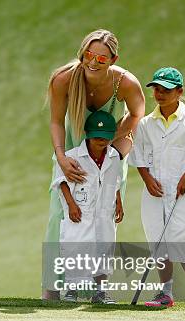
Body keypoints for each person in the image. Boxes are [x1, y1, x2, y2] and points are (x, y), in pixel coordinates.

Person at [44, 29, 145, 300]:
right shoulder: (63, 79)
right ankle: (54, 290)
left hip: (107, 159)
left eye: (102, 58)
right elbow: (56, 121)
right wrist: (62, 158)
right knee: (61, 219)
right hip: (71, 156)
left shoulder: (125, 82)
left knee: (103, 221)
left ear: (113, 59)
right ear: (82, 53)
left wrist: (112, 142)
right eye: (89, 55)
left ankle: (97, 289)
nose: (93, 62)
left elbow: (137, 113)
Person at [128, 67, 185, 307]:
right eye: (156, 89)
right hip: (154, 191)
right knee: (158, 239)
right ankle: (165, 293)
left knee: (183, 237)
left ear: (179, 91)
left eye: (165, 90)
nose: (159, 94)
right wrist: (146, 179)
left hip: (183, 191)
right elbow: (140, 156)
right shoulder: (145, 124)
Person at [51, 111, 124, 303]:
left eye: (105, 137)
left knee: (104, 249)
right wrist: (71, 204)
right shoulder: (72, 156)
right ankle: (71, 291)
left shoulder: (114, 156)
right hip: (79, 212)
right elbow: (60, 182)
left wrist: (118, 200)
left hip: (104, 211)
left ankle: (101, 292)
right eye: (97, 137)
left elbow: (115, 180)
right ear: (88, 134)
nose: (101, 141)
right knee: (76, 249)